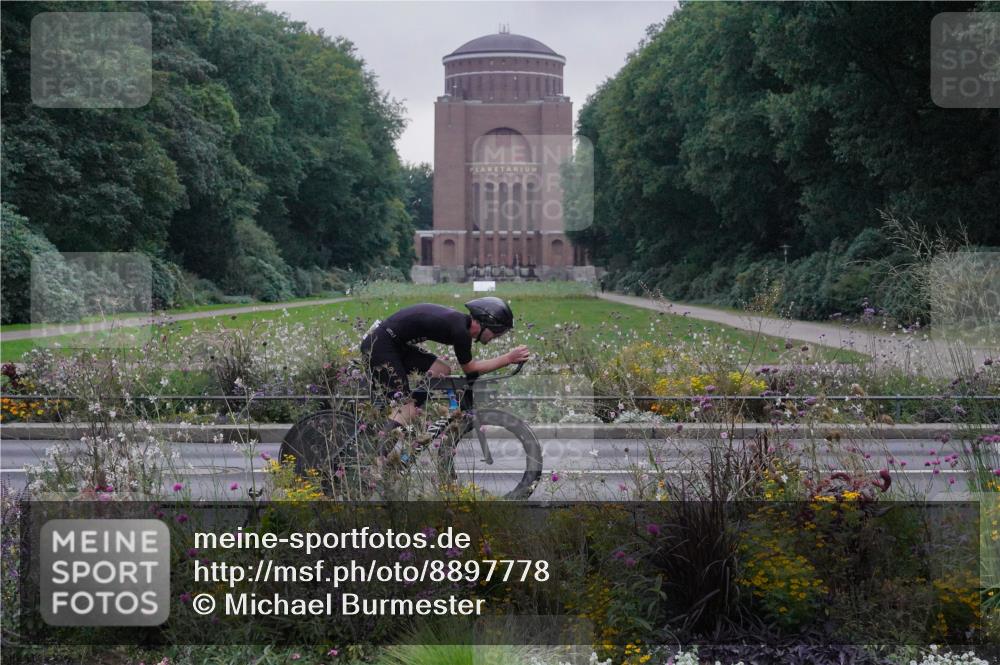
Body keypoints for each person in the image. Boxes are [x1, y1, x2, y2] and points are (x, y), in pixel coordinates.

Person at [360, 297, 530, 432]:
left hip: (394, 344)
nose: (497, 337)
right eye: (498, 332)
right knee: (407, 410)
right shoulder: (460, 331)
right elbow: (470, 369)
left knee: (441, 371)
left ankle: (404, 415)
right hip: (380, 345)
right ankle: (379, 463)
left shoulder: (460, 324)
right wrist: (508, 358)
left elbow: (469, 371)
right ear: (485, 323)